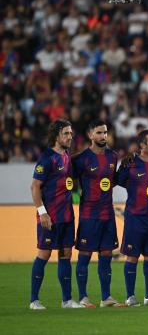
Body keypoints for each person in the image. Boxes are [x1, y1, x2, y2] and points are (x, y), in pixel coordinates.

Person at [29, 119, 83, 309]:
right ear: (57, 135)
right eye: (66, 133)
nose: (70, 137)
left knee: (65, 255)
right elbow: (35, 186)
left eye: (71, 133)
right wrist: (42, 212)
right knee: (44, 254)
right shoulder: (46, 158)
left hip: (67, 215)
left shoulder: (67, 156)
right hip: (49, 217)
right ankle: (34, 300)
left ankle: (67, 300)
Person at [73, 120, 122, 308]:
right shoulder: (80, 159)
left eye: (105, 132)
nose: (103, 136)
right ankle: (84, 297)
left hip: (107, 214)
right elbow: (69, 182)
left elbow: (112, 181)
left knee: (107, 254)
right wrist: (76, 197)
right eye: (99, 133)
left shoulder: (113, 156)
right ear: (90, 135)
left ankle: (106, 297)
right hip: (88, 214)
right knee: (85, 254)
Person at [116, 129, 148, 306]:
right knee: (132, 257)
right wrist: (123, 164)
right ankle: (130, 296)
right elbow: (118, 180)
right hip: (135, 218)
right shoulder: (130, 163)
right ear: (142, 146)